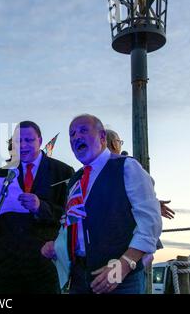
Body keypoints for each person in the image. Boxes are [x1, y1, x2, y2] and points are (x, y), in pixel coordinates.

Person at [42, 114, 162, 294]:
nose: (76, 137)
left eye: (83, 130)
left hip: (122, 282)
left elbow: (150, 222)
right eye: (72, 134)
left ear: (103, 137)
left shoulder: (126, 167)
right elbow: (71, 224)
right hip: (80, 279)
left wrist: (123, 266)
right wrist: (57, 246)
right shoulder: (75, 180)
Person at [0, 121, 74, 294]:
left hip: (45, 264)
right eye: (18, 141)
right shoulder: (2, 173)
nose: (23, 145)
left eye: (29, 140)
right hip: (7, 266)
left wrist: (41, 207)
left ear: (40, 140)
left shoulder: (62, 171)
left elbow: (70, 215)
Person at [106, 129, 175, 220]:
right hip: (124, 229)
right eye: (119, 142)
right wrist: (151, 205)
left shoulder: (86, 172)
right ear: (114, 144)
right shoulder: (127, 165)